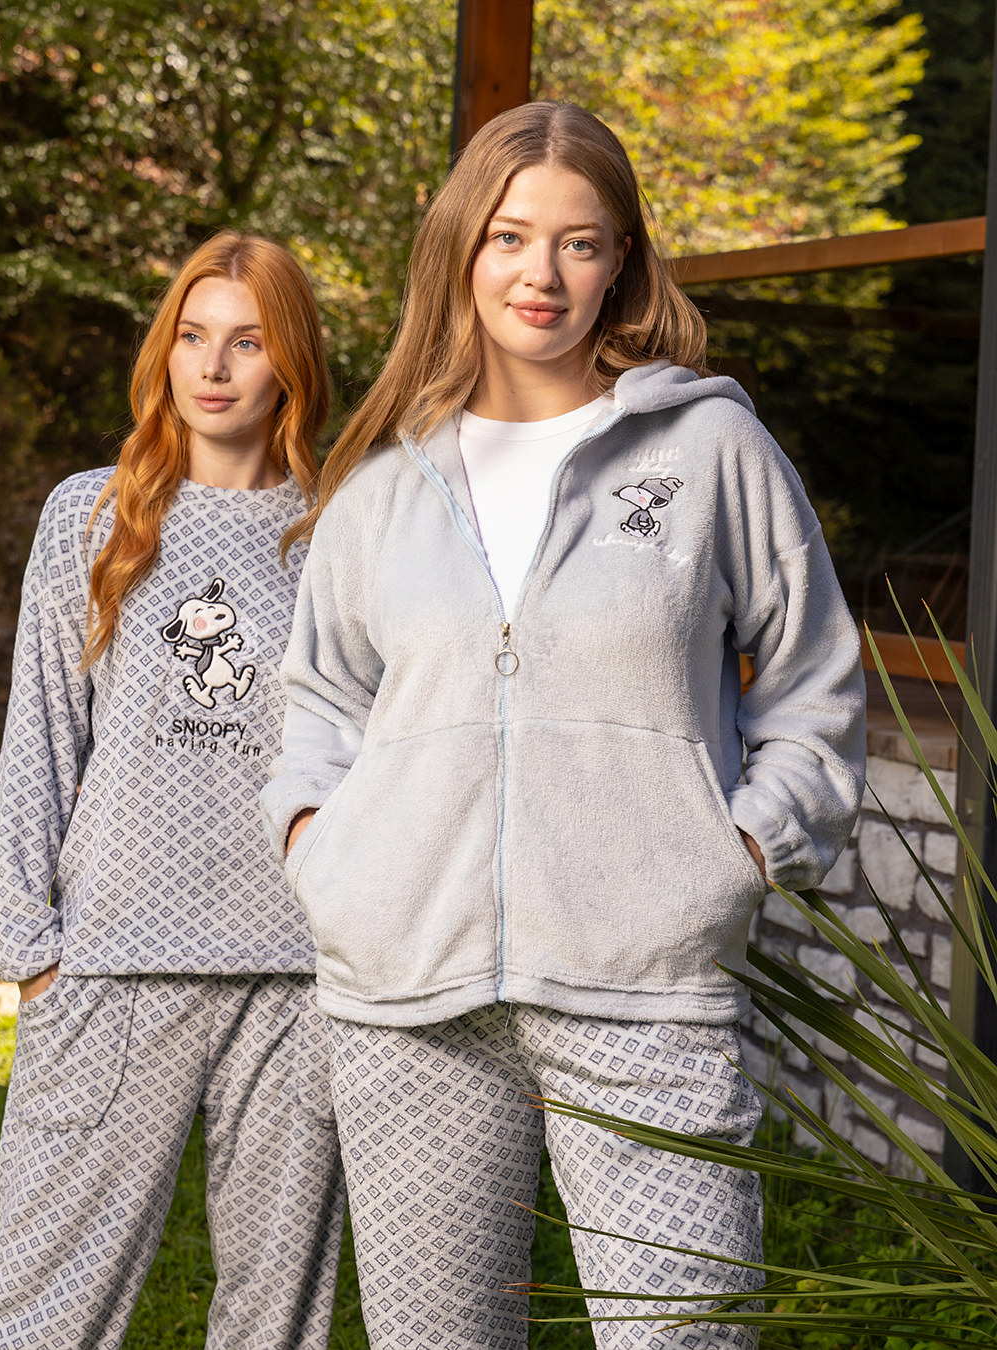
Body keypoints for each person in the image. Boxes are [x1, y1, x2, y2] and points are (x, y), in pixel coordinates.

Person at [261, 103, 865, 1350]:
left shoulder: (709, 449)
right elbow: (320, 702)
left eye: (579, 243)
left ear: (621, 261)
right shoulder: (383, 481)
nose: (541, 274)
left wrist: (738, 856)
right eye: (510, 237)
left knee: (683, 1333)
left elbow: (814, 682)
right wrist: (323, 849)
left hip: (647, 982)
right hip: (410, 989)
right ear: (461, 249)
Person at [0, 232, 346, 1350]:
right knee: (45, 1302)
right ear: (164, 350)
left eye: (248, 342)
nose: (213, 367)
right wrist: (31, 948)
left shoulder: (342, 527)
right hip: (113, 959)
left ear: (292, 363)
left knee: (277, 1319)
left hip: (298, 972)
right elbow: (40, 735)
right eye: (192, 336)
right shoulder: (92, 514)